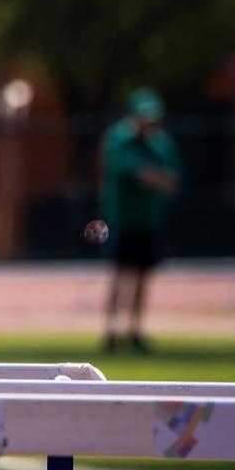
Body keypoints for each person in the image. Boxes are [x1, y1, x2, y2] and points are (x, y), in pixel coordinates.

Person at [99, 87, 181, 352]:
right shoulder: (120, 139)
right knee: (122, 274)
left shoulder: (161, 143)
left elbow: (171, 179)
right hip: (124, 219)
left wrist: (153, 177)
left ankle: (135, 330)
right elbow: (137, 172)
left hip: (150, 219)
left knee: (143, 276)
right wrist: (153, 177)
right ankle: (112, 331)